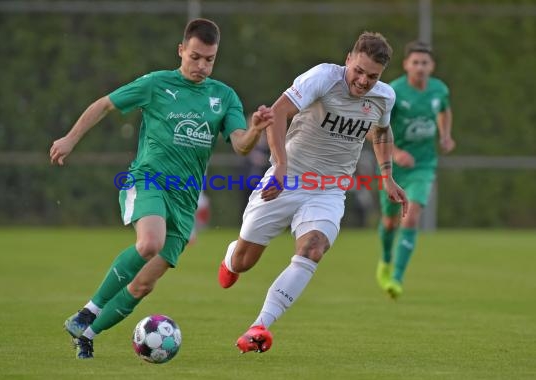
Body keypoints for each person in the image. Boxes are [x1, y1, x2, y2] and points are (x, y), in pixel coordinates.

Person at [49, 18, 274, 359]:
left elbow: (241, 145)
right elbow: (105, 104)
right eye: (195, 57)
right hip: (148, 180)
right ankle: (88, 311)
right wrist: (70, 138)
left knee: (143, 283)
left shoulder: (223, 96)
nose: (201, 66)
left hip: (184, 201)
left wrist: (256, 129)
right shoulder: (156, 84)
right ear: (181, 50)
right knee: (149, 243)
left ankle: (87, 334)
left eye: (209, 59)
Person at [217, 31, 408, 353]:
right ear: (348, 59)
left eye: (372, 76)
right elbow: (277, 113)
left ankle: (259, 326)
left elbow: (381, 131)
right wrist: (279, 165)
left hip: (330, 190)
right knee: (244, 262)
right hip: (287, 179)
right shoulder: (322, 77)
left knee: (313, 249)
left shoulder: (384, 97)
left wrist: (387, 175)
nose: (363, 81)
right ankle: (232, 257)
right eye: (358, 71)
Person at [375, 41, 455, 299]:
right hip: (394, 168)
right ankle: (386, 261)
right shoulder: (394, 92)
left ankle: (397, 277)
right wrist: (396, 153)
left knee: (410, 217)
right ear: (406, 65)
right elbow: (374, 129)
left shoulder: (439, 89)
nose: (420, 67)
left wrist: (445, 135)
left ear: (431, 66)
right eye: (416, 62)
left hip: (424, 164)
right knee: (389, 222)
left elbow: (445, 110)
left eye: (425, 63)